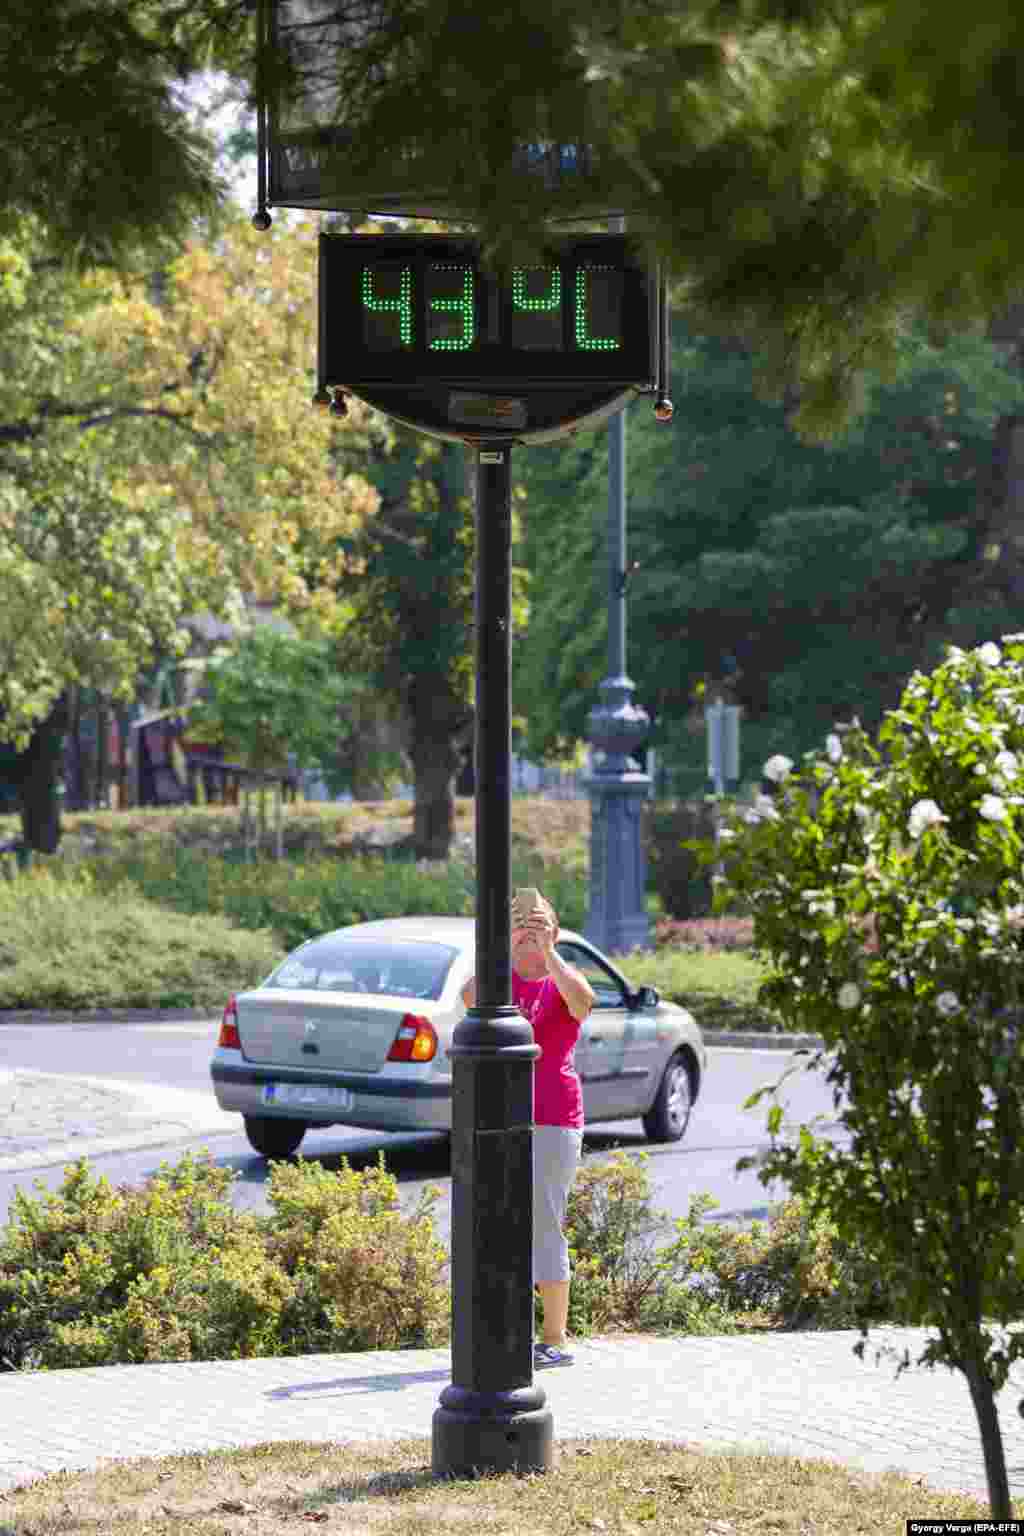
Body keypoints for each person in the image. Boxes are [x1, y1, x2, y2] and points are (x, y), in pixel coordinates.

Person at [460, 889, 595, 1368]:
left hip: (554, 1119)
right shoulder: (501, 981)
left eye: (539, 926)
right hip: (503, 1119)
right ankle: (509, 1330)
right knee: (500, 1224)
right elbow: (469, 997)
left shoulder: (561, 980)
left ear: (555, 932)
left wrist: (549, 953)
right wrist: (504, 947)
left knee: (544, 1224)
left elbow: (583, 1002)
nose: (528, 936)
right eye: (520, 927)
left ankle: (555, 1338)